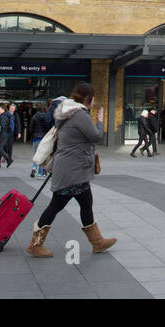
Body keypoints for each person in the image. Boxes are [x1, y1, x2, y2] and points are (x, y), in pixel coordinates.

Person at [26, 82, 116, 258]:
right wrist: (100, 120)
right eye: (93, 98)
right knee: (56, 205)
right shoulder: (79, 115)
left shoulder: (67, 112)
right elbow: (96, 137)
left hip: (74, 170)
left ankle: (97, 242)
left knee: (86, 203)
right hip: (72, 172)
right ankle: (35, 244)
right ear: (88, 98)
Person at [29, 101, 54, 178]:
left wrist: (32, 135)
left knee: (36, 153)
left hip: (36, 137)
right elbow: (49, 127)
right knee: (43, 154)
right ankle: (40, 173)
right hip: (44, 137)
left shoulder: (35, 116)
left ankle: (34, 167)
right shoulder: (47, 117)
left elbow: (31, 127)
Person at [0, 103, 14, 167]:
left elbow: (2, 125)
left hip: (2, 134)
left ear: (3, 110)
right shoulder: (6, 115)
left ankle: (9, 159)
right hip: (4, 134)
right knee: (0, 148)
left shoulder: (2, 116)